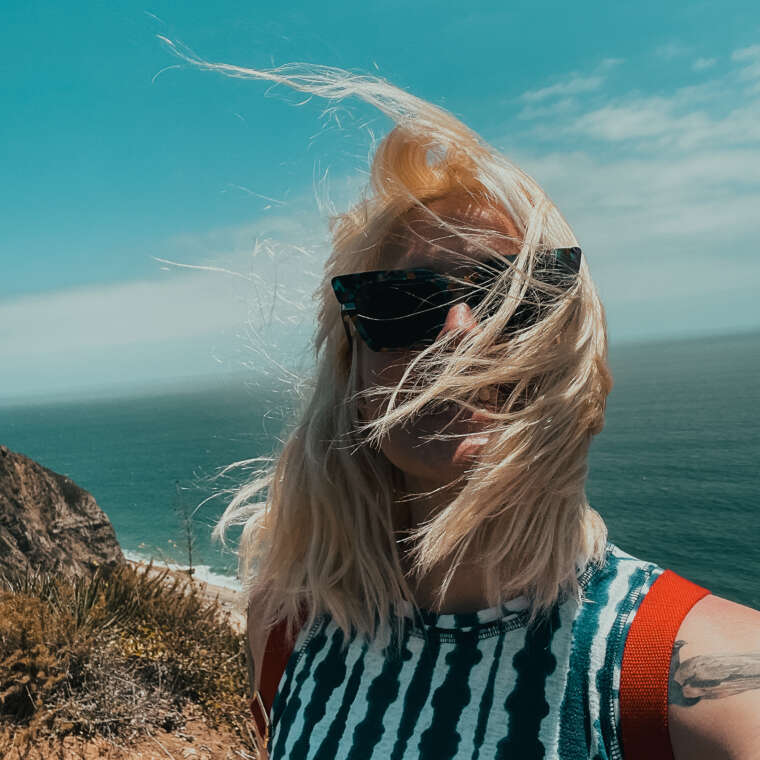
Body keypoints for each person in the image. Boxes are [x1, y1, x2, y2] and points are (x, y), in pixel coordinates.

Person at [194, 50, 760, 760]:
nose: (460, 335)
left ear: (576, 356)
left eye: (511, 299)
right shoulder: (286, 629)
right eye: (399, 305)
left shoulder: (700, 686)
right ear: (353, 373)